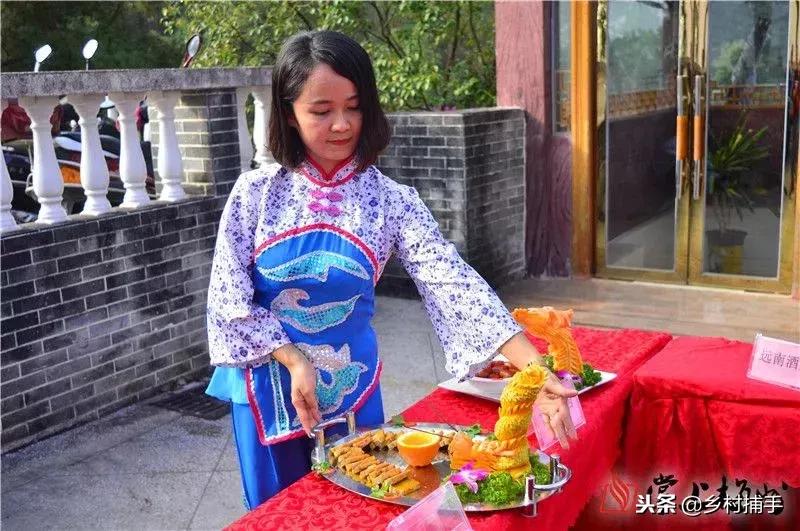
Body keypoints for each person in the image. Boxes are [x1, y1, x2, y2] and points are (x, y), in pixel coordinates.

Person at [205, 30, 578, 510]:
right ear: (289, 114)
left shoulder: (390, 201)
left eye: (354, 107)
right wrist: (294, 360)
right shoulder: (254, 196)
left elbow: (452, 281)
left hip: (353, 383)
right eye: (321, 111)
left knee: (364, 504)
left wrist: (535, 368)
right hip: (267, 387)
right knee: (283, 512)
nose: (342, 124)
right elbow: (228, 300)